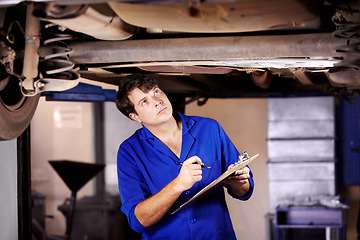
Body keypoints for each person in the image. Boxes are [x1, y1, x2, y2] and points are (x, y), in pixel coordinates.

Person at [115, 74, 254, 240]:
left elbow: (244, 191)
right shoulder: (129, 152)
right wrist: (178, 185)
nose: (157, 101)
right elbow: (138, 221)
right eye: (144, 101)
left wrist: (240, 182)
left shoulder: (210, 129)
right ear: (135, 116)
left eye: (156, 92)